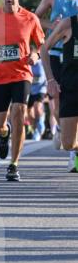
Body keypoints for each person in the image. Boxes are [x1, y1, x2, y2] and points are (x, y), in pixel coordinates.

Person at [0, 0, 45, 181]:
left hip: (21, 74)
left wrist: (36, 55)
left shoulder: (31, 18)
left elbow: (42, 44)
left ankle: (14, 164)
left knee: (19, 113)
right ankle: (4, 134)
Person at [35, 0, 78, 149]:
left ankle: (72, 147)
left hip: (74, 56)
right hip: (55, 51)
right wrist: (51, 25)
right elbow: (35, 19)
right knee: (58, 97)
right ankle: (62, 127)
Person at [41, 12, 78, 172]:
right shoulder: (68, 24)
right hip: (70, 88)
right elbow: (44, 49)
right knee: (68, 143)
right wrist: (50, 79)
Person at [27, 47, 47, 141]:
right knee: (29, 113)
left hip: (41, 88)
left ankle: (40, 122)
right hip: (29, 90)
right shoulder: (26, 63)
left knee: (37, 107)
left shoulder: (41, 62)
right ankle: (35, 130)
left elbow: (47, 73)